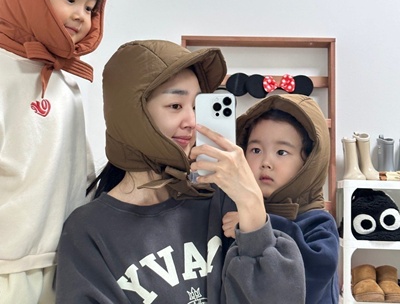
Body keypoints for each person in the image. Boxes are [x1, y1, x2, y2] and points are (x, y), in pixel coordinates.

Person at [55, 40, 306, 303]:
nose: (192, 122)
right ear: (132, 115)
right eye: (176, 106)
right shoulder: (89, 230)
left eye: (196, 107)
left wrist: (252, 205)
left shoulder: (218, 199)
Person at [0, 0, 123, 303]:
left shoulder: (67, 82)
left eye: (90, 7)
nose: (81, 16)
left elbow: (79, 172)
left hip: (63, 258)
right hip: (8, 264)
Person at [223, 94, 339, 303]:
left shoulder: (319, 222)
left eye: (282, 152)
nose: (266, 162)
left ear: (309, 163)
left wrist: (260, 225)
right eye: (256, 150)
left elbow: (307, 282)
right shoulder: (234, 210)